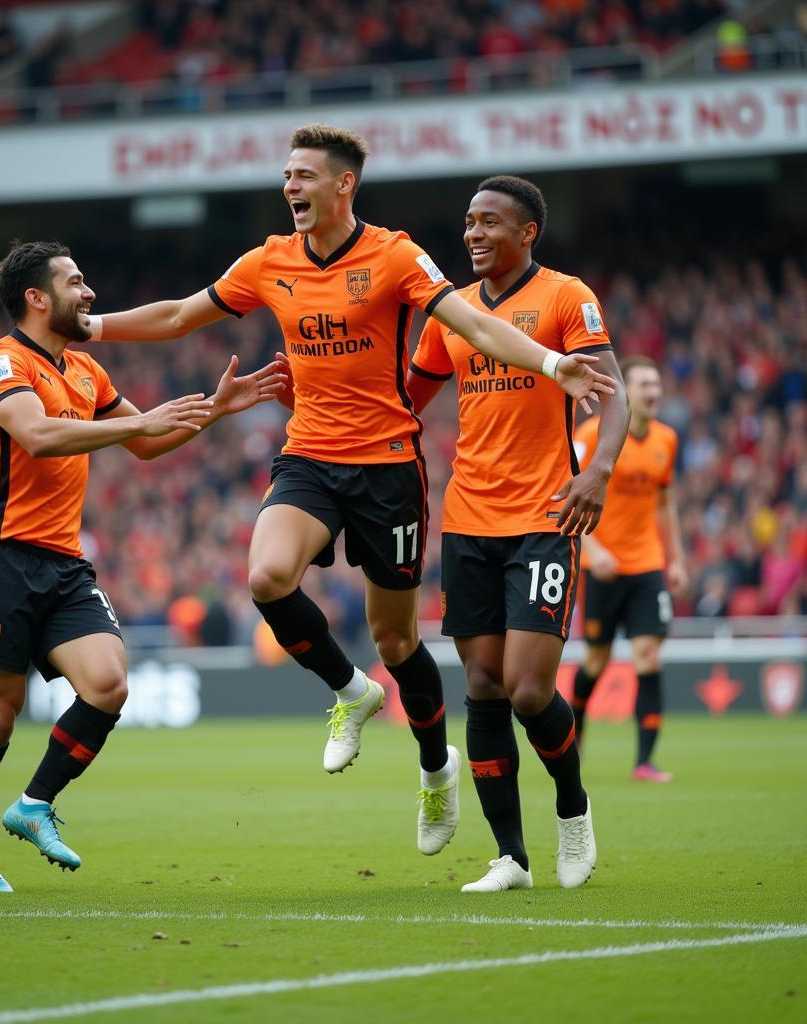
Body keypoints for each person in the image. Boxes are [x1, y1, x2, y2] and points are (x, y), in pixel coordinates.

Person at [86, 125, 614, 857]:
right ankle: (349, 691)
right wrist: (89, 326)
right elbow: (179, 314)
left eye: (303, 175)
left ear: (343, 185)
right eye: (286, 176)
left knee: (398, 639)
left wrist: (554, 365)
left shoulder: (395, 255)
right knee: (267, 575)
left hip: (389, 468)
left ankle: (436, 770)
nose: (290, 187)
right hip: (308, 454)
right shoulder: (269, 261)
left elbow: (473, 325)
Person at [0, 240, 284, 893]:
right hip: (0, 557)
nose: (90, 292)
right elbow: (39, 435)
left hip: (65, 563)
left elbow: (149, 443)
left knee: (108, 685)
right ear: (37, 298)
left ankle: (35, 804)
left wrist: (215, 409)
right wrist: (141, 422)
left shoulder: (84, 370)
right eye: (76, 282)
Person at [407, 174, 629, 892]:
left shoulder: (567, 296)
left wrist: (595, 471)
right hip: (469, 519)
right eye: (468, 222)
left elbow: (612, 391)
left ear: (527, 232)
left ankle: (573, 809)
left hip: (544, 515)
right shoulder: (453, 312)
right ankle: (511, 857)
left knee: (529, 690)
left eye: (490, 223)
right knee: (481, 684)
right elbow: (408, 399)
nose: (473, 233)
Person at [571, 355, 688, 782]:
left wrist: (676, 559)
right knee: (596, 662)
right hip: (601, 567)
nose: (653, 393)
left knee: (648, 656)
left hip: (647, 565)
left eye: (656, 385)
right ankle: (574, 740)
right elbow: (565, 493)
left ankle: (644, 762)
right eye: (644, 385)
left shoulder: (666, 441)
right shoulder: (590, 435)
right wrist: (592, 547)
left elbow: (664, 502)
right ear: (625, 391)